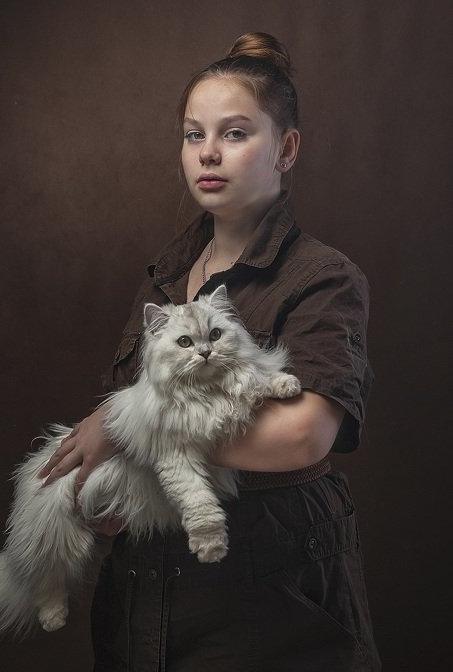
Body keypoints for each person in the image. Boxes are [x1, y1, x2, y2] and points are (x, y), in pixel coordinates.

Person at [39, 33, 381, 671]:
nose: (209, 153)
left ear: (286, 148)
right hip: (147, 597)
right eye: (194, 135)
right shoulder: (164, 279)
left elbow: (302, 435)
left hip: (266, 597)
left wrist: (126, 430)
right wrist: (113, 497)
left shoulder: (322, 278)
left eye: (235, 133)